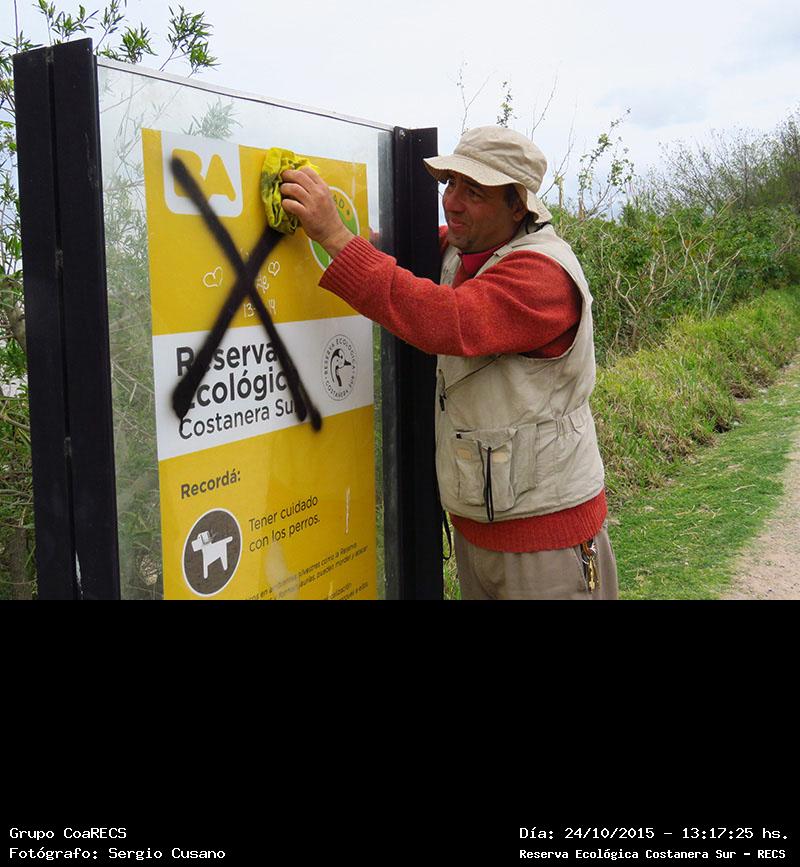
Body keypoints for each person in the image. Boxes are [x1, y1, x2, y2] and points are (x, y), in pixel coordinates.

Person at [280, 125, 618, 600]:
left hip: (547, 540)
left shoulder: (542, 273)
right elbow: (393, 250)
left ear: (517, 206)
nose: (452, 202)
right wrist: (323, 224)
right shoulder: (465, 248)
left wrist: (334, 236)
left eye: (474, 191)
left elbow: (449, 320)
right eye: (450, 183)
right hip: (478, 528)